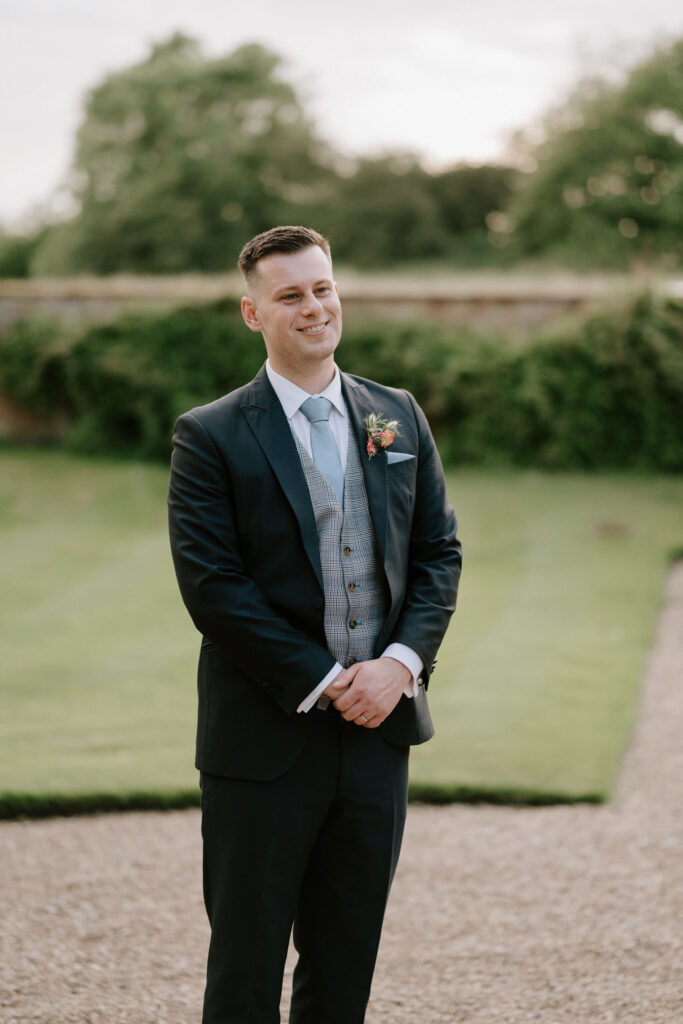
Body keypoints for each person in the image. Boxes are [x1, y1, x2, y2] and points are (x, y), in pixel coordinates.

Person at [168, 225, 462, 1024]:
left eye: (322, 288)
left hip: (377, 739)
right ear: (252, 313)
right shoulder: (210, 434)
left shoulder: (395, 415)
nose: (313, 307)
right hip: (262, 745)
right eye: (289, 295)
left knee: (343, 968)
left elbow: (438, 552)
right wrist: (329, 679)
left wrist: (399, 664)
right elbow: (213, 587)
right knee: (246, 969)